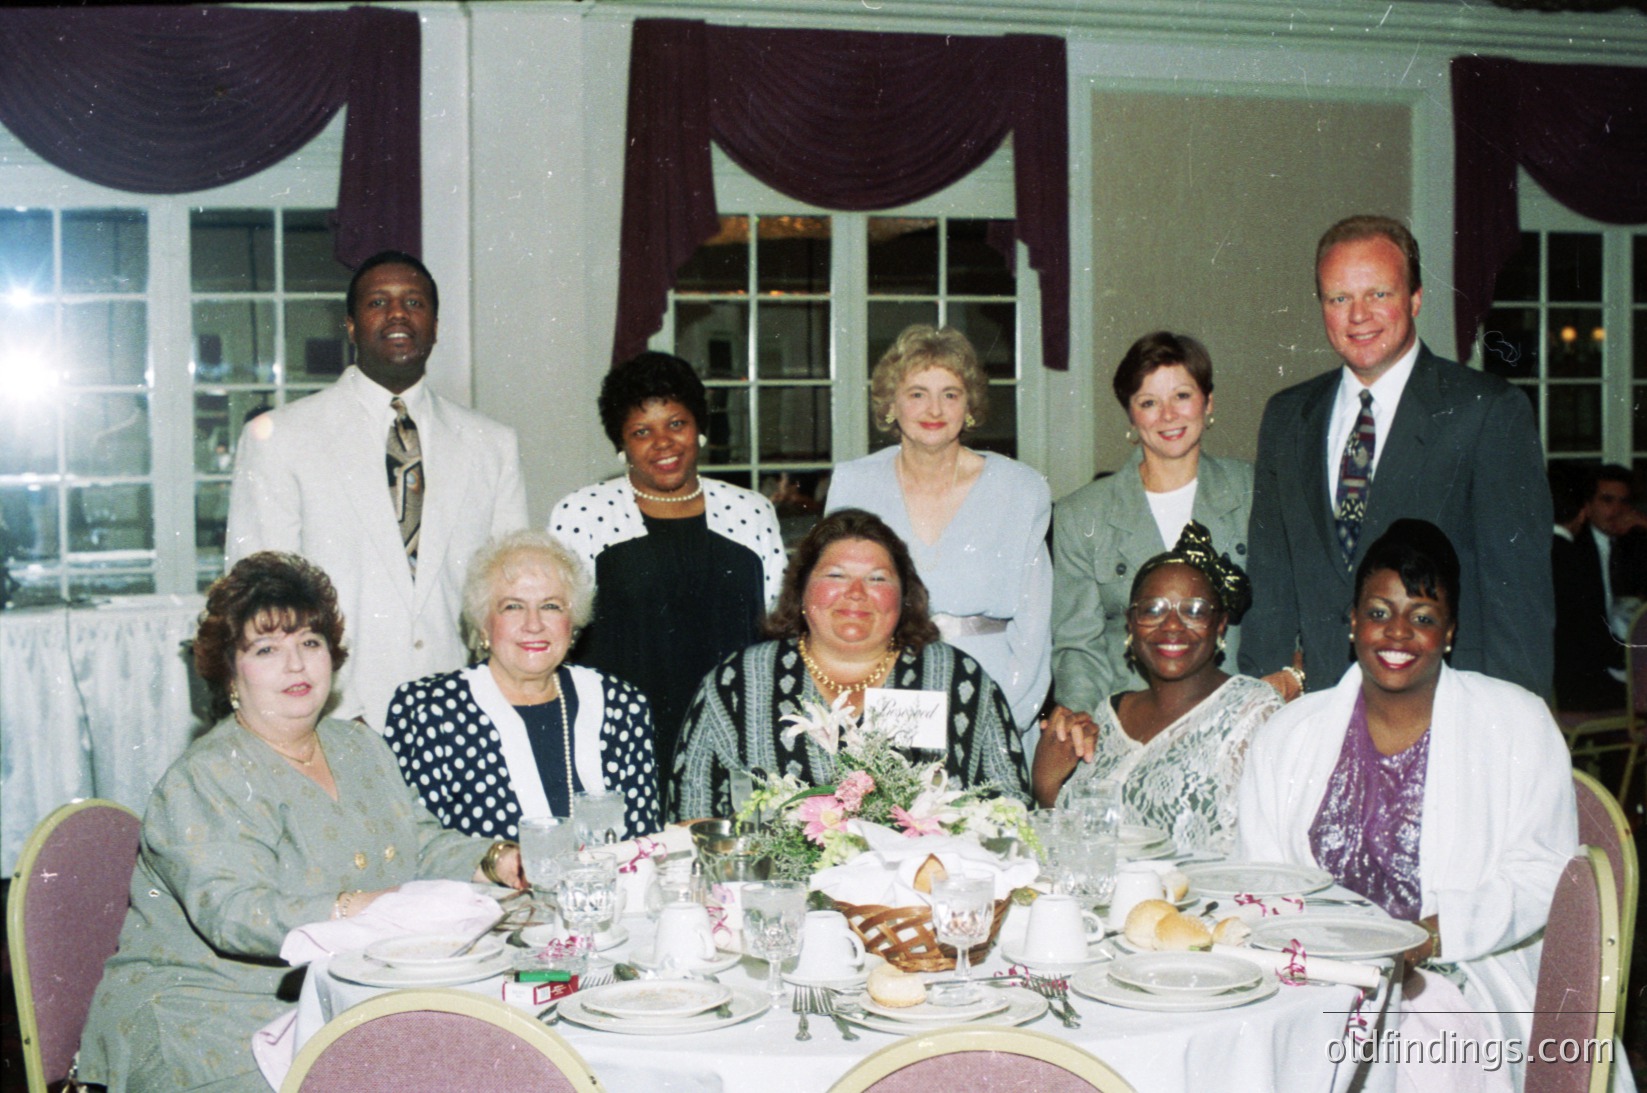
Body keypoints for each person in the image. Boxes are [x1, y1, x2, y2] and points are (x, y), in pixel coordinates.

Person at [77, 553, 524, 1092]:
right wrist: (358, 907)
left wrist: (495, 860)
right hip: (209, 1015)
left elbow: (418, 841)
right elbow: (234, 912)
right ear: (231, 675)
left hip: (338, 992)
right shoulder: (206, 776)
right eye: (267, 650)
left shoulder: (358, 745)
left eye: (309, 643)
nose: (296, 666)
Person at [1237, 520, 1576, 1092]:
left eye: (1422, 617)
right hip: (1316, 969)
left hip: (1461, 965)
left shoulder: (1516, 722)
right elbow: (1259, 873)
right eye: (1378, 612)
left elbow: (1545, 874)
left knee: (1417, 1029)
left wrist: (1433, 936)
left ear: (1449, 632)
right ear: (1352, 622)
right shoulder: (1291, 732)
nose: (1397, 633)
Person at [1240, 215, 1553, 698]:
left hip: (1445, 709)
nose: (1358, 315)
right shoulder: (1287, 417)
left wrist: (1513, 729)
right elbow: (1270, 587)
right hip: (1318, 713)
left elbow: (1518, 600)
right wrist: (1259, 706)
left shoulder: (1485, 411)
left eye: (1378, 294)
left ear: (1416, 298)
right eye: (1339, 298)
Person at [226, 251, 527, 730]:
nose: (398, 314)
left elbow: (511, 596)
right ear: (349, 325)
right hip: (334, 718)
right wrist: (330, 715)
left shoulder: (491, 443)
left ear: (435, 325)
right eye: (377, 303)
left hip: (465, 719)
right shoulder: (281, 438)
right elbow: (261, 607)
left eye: (414, 302)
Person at [674, 508, 1030, 820]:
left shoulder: (956, 679)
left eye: (877, 578)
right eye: (835, 575)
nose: (856, 592)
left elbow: (1011, 808)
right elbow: (691, 812)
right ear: (801, 590)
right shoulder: (737, 683)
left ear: (904, 597)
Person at [1049, 332, 1294, 757]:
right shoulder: (1081, 514)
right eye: (1148, 403)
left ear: (1208, 402)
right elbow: (1078, 644)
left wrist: (1289, 679)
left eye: (1182, 395)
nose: (1167, 416)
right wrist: (1078, 716)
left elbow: (1291, 610)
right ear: (1131, 415)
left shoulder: (1257, 492)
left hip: (1238, 728)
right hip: (1129, 730)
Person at [549, 351, 785, 774]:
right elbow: (559, 634)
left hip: (734, 730)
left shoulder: (751, 511)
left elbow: (779, 627)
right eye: (642, 431)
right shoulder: (583, 512)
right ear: (621, 443)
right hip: (620, 735)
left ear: (699, 429)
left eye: (676, 423)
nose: (663, 442)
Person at [826, 324, 1052, 737]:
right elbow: (835, 612)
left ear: (969, 407)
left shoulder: (1020, 488)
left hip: (994, 694)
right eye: (917, 394)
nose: (934, 410)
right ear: (891, 404)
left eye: (950, 394)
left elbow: (1034, 630)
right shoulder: (852, 484)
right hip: (882, 697)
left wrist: (1000, 724)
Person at [386, 530, 661, 840]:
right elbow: (416, 847)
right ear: (483, 623)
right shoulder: (428, 711)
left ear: (573, 623)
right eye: (513, 606)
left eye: (551, 606)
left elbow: (644, 843)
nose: (534, 624)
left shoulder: (621, 704)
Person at [1034, 522, 1279, 854]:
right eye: (1153, 610)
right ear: (1131, 624)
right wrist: (1047, 786)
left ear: (1220, 623)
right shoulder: (1108, 714)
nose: (1173, 625)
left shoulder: (1254, 711)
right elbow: (1078, 851)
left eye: (1193, 610)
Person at [1551, 463, 1627, 710]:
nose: (1616, 511)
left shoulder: (1632, 542)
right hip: (1580, 682)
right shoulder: (1574, 555)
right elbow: (1593, 636)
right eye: (1607, 501)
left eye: (1622, 503)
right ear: (1586, 508)